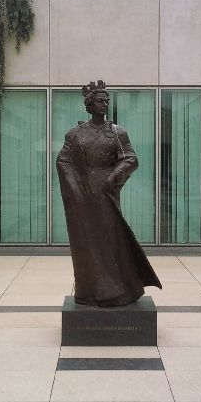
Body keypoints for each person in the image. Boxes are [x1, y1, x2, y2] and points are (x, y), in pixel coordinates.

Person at [56, 80, 161, 306]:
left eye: (106, 101)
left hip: (106, 195)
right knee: (87, 243)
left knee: (112, 241)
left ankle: (119, 290)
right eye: (99, 101)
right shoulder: (75, 133)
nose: (104, 104)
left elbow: (131, 158)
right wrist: (75, 188)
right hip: (83, 196)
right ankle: (89, 291)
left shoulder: (117, 133)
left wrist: (114, 175)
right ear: (89, 105)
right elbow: (63, 160)